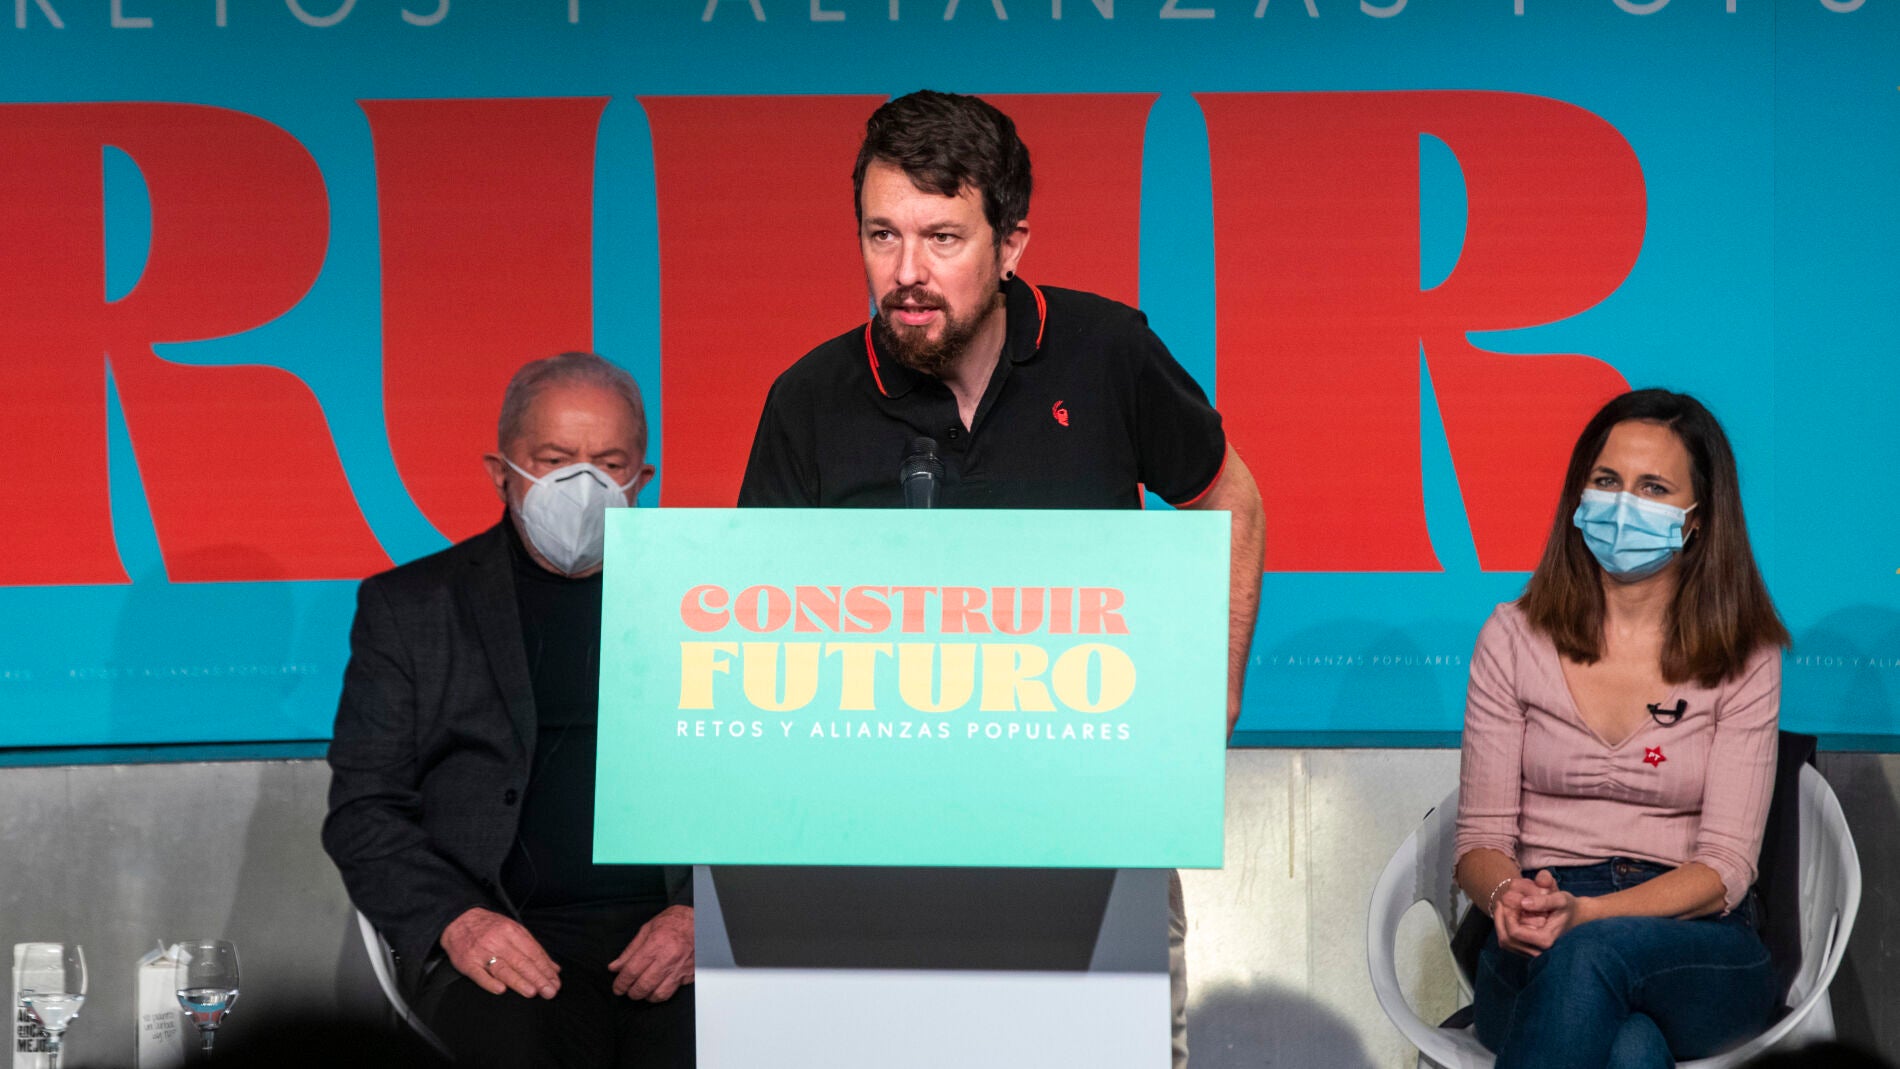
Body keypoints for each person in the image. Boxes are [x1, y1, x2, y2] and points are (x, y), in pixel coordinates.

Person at [738, 89, 1265, 1068]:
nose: (906, 272)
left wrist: (1213, 687)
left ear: (1011, 243)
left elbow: (1226, 495)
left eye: (942, 238)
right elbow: (755, 622)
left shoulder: (1106, 352)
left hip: (1094, 830)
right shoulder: (809, 401)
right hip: (881, 855)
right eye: (882, 235)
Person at [323, 353, 694, 1068]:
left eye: (609, 464)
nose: (582, 484)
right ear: (502, 471)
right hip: (500, 939)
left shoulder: (706, 603)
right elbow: (364, 811)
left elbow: (764, 784)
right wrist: (458, 922)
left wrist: (700, 918)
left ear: (642, 479)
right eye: (554, 459)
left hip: (672, 941)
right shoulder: (411, 609)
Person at [1453, 388, 1790, 1069]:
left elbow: (1725, 869)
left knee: (1590, 955)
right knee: (1630, 1050)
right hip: (1537, 932)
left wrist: (1588, 917)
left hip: (1695, 943)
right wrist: (1508, 897)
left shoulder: (1744, 654)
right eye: (1606, 481)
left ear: (1697, 520)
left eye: (1653, 487)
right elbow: (1479, 842)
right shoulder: (1512, 638)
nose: (1623, 504)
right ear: (1579, 495)